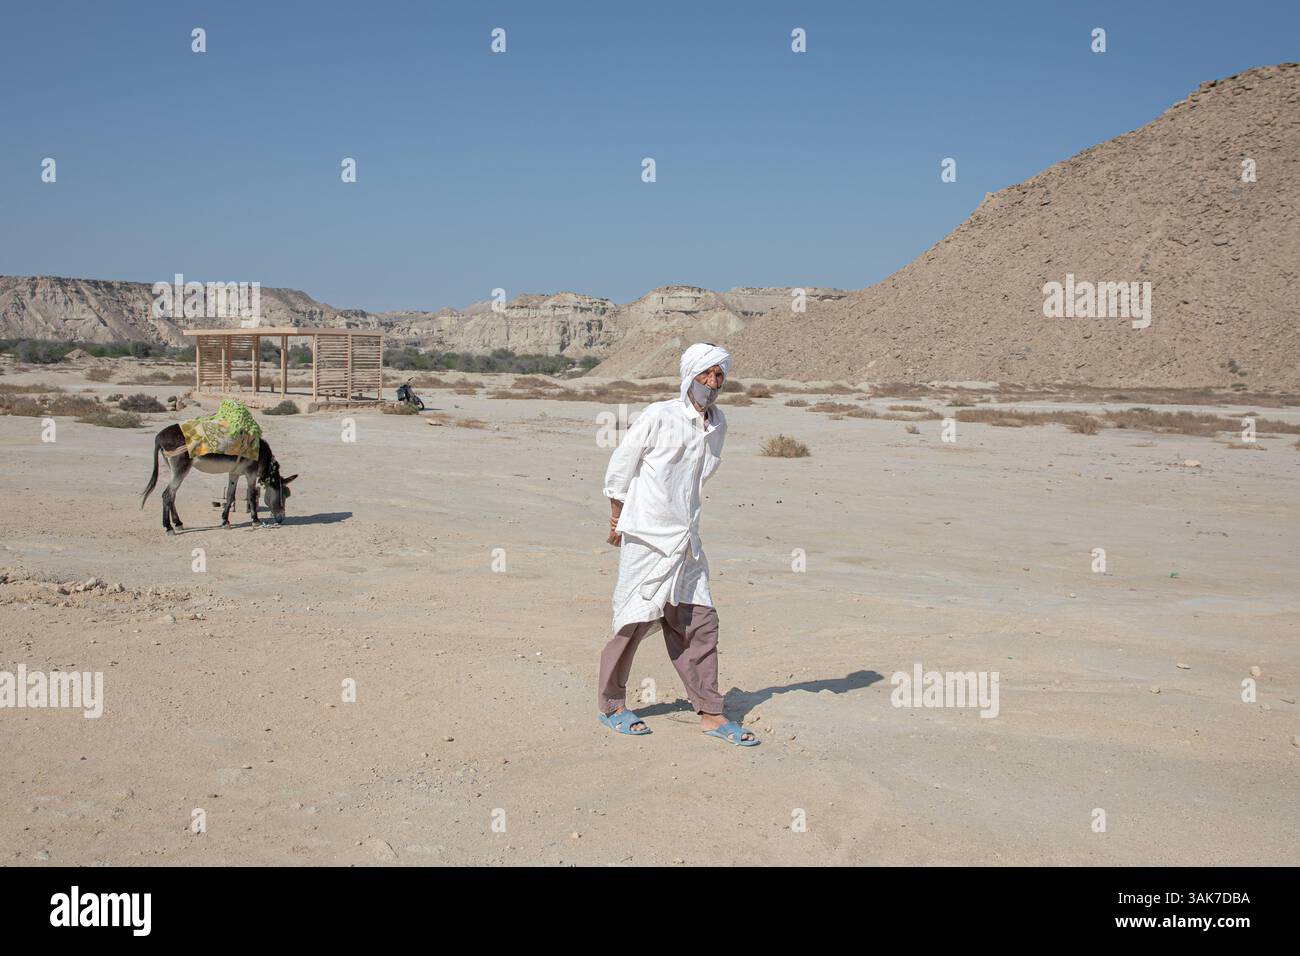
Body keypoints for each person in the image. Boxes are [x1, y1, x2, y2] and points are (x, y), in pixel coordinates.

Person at [595, 342, 758, 746]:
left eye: (719, 375)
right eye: (706, 374)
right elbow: (622, 464)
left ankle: (711, 712)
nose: (713, 382)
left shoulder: (718, 423)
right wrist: (618, 518)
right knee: (634, 619)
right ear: (689, 376)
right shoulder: (660, 415)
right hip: (646, 536)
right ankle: (612, 705)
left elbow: (699, 478)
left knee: (701, 622)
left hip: (686, 539)